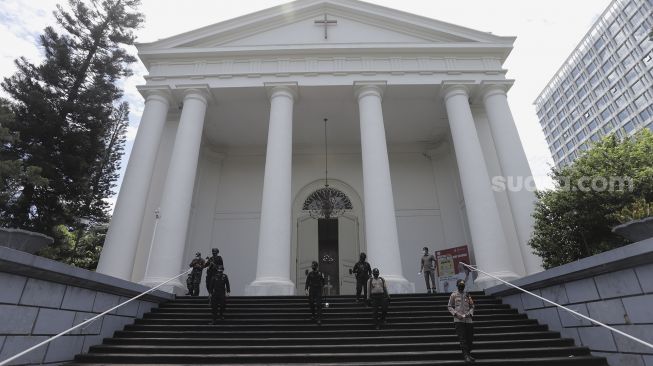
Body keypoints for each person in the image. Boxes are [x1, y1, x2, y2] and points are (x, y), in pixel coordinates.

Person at [448, 279, 475, 363]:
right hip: (458, 320)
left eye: (463, 285)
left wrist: (470, 314)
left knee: (469, 339)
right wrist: (456, 314)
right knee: (462, 339)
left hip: (468, 320)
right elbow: (449, 306)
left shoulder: (468, 295)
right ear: (457, 285)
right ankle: (466, 355)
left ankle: (468, 353)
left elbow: (472, 306)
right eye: (460, 285)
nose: (462, 286)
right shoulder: (454, 295)